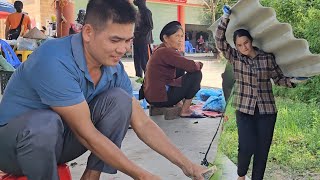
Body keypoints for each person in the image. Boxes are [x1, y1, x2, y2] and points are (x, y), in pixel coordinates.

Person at [0, 0, 214, 179]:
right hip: (13, 148)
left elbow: (142, 122)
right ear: (88, 32)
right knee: (46, 123)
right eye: (115, 40)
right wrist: (142, 175)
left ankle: (91, 177)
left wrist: (187, 166)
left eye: (128, 40)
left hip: (58, 143)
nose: (123, 49)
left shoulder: (113, 68)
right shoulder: (53, 59)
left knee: (120, 102)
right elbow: (87, 135)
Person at [215, 5, 297, 180]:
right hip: (244, 109)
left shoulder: (267, 57)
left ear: (251, 41)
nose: (244, 47)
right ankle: (241, 174)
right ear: (236, 47)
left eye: (246, 42)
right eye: (239, 45)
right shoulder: (235, 58)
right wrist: (224, 19)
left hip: (267, 111)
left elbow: (278, 78)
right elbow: (220, 42)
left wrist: (293, 81)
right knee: (246, 146)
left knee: (262, 149)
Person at [143, 21, 204, 118]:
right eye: (177, 36)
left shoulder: (159, 50)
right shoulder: (166, 51)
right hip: (160, 98)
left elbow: (183, 64)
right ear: (166, 38)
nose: (180, 40)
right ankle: (185, 110)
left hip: (152, 98)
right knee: (196, 74)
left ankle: (178, 103)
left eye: (181, 36)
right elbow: (192, 66)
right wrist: (199, 64)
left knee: (180, 67)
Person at [133, 0, 153, 78]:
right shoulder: (138, 12)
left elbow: (150, 26)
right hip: (136, 41)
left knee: (145, 62)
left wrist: (139, 33)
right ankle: (138, 78)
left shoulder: (146, 12)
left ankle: (148, 79)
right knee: (137, 61)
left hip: (144, 41)